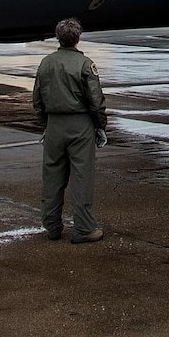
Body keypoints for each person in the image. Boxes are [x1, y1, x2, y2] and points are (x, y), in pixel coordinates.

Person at [33, 16, 109, 243]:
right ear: (78, 38)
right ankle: (84, 228)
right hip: (80, 125)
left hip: (54, 125)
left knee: (52, 177)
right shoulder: (85, 65)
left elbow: (37, 99)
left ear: (59, 38)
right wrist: (100, 126)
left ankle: (52, 225)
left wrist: (46, 124)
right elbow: (96, 101)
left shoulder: (46, 63)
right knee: (82, 176)